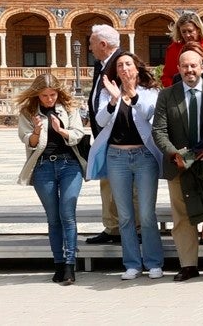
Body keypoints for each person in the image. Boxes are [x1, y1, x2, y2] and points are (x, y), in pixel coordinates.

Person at [151, 48, 203, 283]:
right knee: (182, 216)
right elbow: (158, 130)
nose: (189, 70)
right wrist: (173, 153)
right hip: (178, 165)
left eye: (193, 66)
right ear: (178, 69)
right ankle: (188, 265)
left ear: (202, 68)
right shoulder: (167, 95)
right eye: (184, 66)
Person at [85, 52, 164, 280]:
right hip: (116, 157)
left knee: (147, 213)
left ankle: (153, 262)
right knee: (125, 215)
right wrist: (112, 99)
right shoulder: (107, 91)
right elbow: (100, 121)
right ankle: (131, 263)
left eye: (128, 64)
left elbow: (151, 115)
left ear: (137, 68)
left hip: (144, 156)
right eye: (120, 65)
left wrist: (132, 95)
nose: (124, 68)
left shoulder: (149, 91)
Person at [16, 73, 88, 285]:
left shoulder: (69, 109)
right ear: (37, 95)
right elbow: (27, 140)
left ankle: (69, 265)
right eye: (44, 95)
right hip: (43, 166)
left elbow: (79, 134)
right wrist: (37, 131)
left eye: (52, 94)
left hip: (69, 165)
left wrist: (61, 131)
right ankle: (58, 264)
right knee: (53, 218)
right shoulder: (28, 112)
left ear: (58, 92)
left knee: (67, 213)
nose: (49, 99)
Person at [84, 24, 123, 246]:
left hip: (118, 137)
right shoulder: (102, 65)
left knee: (126, 185)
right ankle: (112, 227)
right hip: (104, 136)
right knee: (107, 183)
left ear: (102, 44)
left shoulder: (120, 63)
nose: (89, 48)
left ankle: (128, 228)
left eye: (91, 43)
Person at [161, 12, 203, 87]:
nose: (187, 35)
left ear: (198, 29)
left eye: (190, 31)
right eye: (183, 32)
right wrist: (175, 91)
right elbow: (167, 77)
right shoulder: (173, 49)